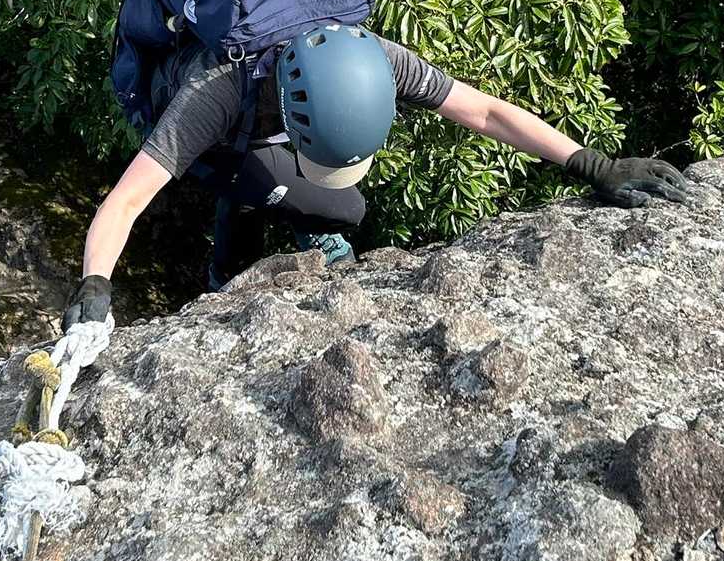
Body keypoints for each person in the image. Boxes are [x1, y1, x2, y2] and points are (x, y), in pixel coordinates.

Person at [63, 21, 688, 330]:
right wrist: (94, 288)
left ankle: (268, 209)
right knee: (260, 190)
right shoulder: (212, 94)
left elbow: (484, 112)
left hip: (269, 125)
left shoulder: (369, 57)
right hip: (220, 144)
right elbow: (126, 202)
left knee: (344, 209)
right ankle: (223, 275)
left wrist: (592, 164)